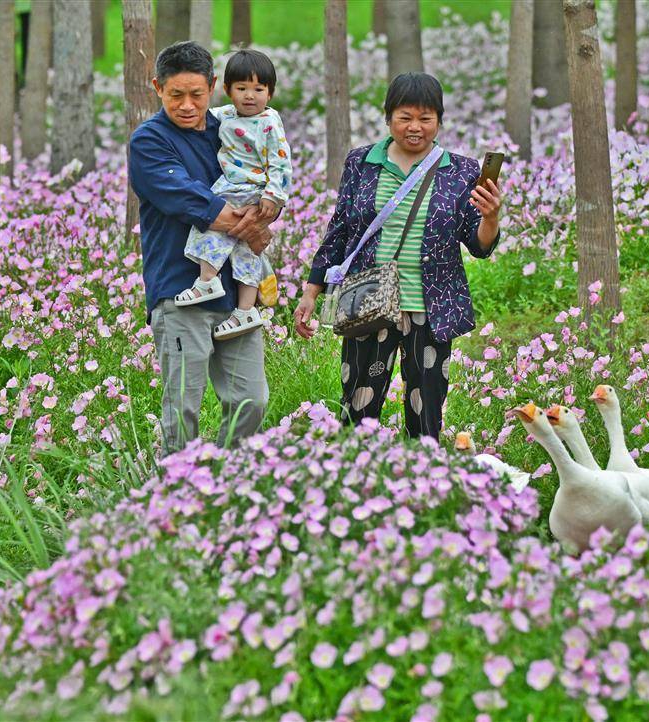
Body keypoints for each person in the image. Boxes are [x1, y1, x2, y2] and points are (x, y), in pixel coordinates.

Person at [293, 72, 504, 439]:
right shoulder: (362, 163)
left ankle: (423, 471)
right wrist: (311, 292)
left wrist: (491, 217)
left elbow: (479, 245)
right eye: (405, 117)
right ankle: (358, 469)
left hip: (431, 307)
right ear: (388, 117)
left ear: (440, 120)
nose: (415, 127)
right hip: (369, 301)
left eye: (425, 118)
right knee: (358, 408)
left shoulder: (462, 171)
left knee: (426, 413)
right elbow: (339, 230)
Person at [129, 41, 276, 455]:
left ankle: (222, 478)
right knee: (183, 406)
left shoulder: (232, 129)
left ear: (213, 86)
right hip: (180, 291)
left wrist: (267, 211)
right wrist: (253, 230)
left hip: (236, 293)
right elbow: (192, 201)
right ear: (157, 87)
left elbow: (266, 184)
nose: (188, 105)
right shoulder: (149, 141)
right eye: (176, 94)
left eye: (197, 94)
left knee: (251, 400)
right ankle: (177, 484)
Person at [174, 49, 292, 342]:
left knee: (210, 226)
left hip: (250, 189)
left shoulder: (269, 121)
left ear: (270, 93)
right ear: (227, 90)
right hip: (235, 187)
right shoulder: (224, 114)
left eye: (259, 89)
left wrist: (273, 196)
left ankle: (207, 280)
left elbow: (280, 161)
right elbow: (200, 116)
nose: (250, 96)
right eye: (241, 88)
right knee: (245, 248)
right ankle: (245, 310)